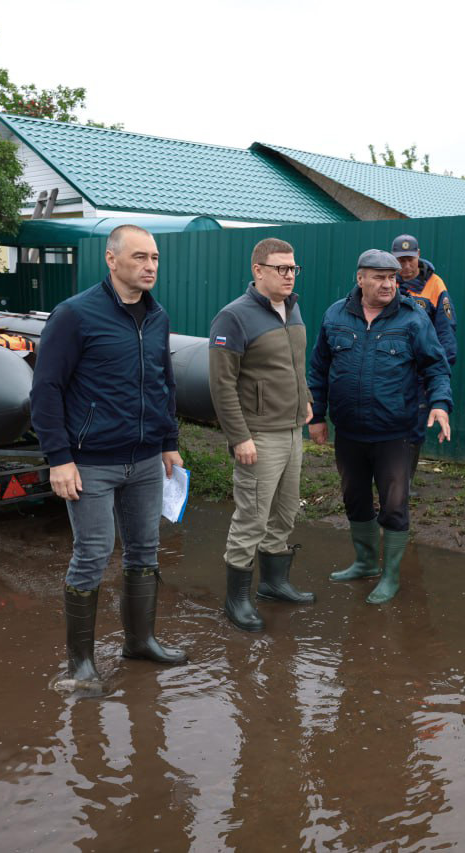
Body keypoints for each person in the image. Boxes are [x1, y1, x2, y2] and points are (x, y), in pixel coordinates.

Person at [30, 224, 186, 691]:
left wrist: (168, 440)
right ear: (112, 260)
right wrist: (59, 458)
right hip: (90, 462)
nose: (150, 266)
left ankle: (140, 641)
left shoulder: (157, 317)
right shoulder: (75, 315)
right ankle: (80, 665)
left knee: (144, 550)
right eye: (140, 257)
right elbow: (46, 389)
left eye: (155, 258)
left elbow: (164, 383)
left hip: (143, 461)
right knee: (93, 554)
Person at [308, 249, 452, 604]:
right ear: (360, 279)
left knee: (394, 506)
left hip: (394, 433)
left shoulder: (413, 319)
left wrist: (440, 405)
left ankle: (390, 577)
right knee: (354, 500)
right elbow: (318, 369)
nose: (388, 283)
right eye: (379, 277)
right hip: (349, 432)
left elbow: (436, 366)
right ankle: (365, 562)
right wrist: (316, 416)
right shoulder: (335, 315)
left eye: (392, 278)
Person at [208, 237, 316, 633]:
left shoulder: (293, 308)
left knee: (285, 511)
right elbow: (222, 385)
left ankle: (273, 583)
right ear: (258, 270)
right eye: (281, 268)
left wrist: (305, 399)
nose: (289, 275)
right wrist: (240, 437)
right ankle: (237, 599)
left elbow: (295, 364)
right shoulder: (233, 318)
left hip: (291, 431)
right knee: (252, 517)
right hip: (258, 436)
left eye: (293, 268)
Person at [391, 234, 457, 483]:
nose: (405, 266)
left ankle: (404, 483)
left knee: (416, 427)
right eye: (400, 261)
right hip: (392, 367)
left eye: (410, 260)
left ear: (418, 256)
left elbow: (446, 329)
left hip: (420, 371)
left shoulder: (435, 284)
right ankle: (389, 479)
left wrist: (440, 370)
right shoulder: (388, 281)